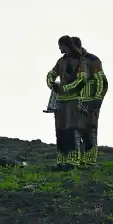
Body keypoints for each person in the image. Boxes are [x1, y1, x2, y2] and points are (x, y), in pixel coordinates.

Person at [44, 35, 89, 171]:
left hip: (73, 100)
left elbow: (82, 80)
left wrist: (64, 89)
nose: (59, 48)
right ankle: (61, 161)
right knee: (60, 131)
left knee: (72, 130)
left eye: (60, 45)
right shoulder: (60, 61)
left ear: (66, 45)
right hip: (60, 103)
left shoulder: (79, 61)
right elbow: (50, 74)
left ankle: (73, 161)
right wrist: (52, 85)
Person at [71, 37, 108, 168]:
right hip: (75, 101)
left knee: (89, 129)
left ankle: (90, 160)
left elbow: (102, 81)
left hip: (91, 100)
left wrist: (97, 99)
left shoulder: (93, 60)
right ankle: (77, 159)